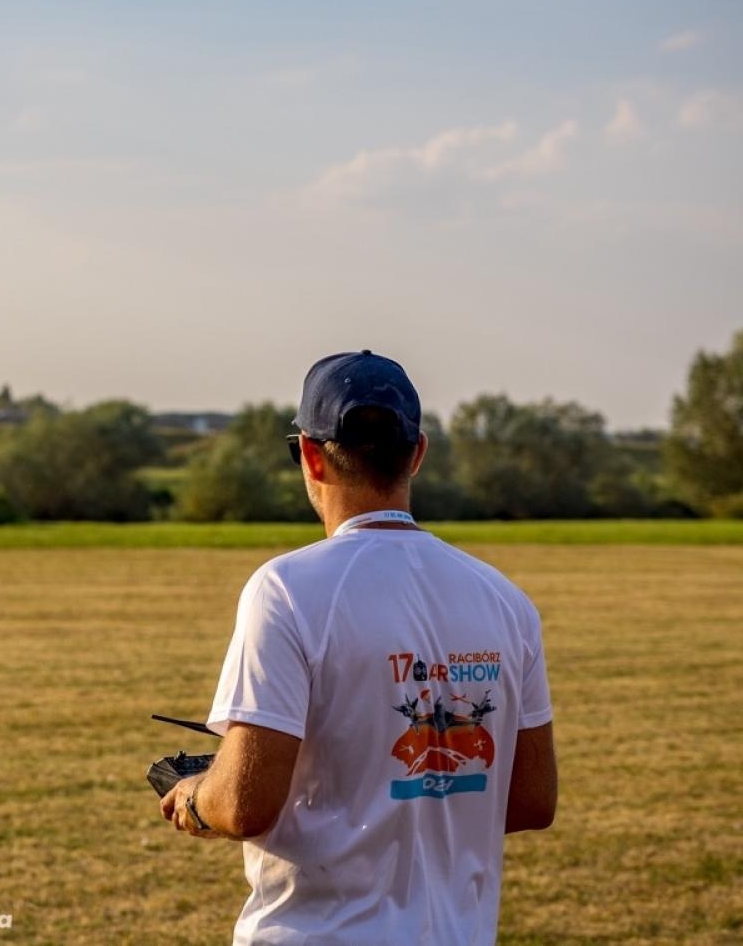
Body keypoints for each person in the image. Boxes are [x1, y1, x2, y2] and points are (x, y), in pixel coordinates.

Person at [160, 350, 556, 945]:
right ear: (417, 453)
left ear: (311, 456)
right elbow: (529, 800)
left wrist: (193, 796)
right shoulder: (505, 599)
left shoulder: (286, 590)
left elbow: (245, 806)